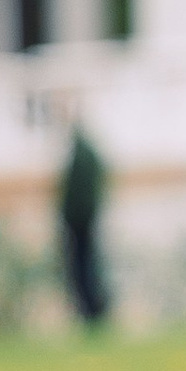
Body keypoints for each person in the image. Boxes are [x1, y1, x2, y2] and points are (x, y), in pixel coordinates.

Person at [58, 123, 111, 327]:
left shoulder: (80, 157)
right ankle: (92, 311)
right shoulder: (88, 155)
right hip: (84, 221)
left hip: (80, 222)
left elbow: (77, 194)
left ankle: (91, 311)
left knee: (84, 267)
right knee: (88, 266)